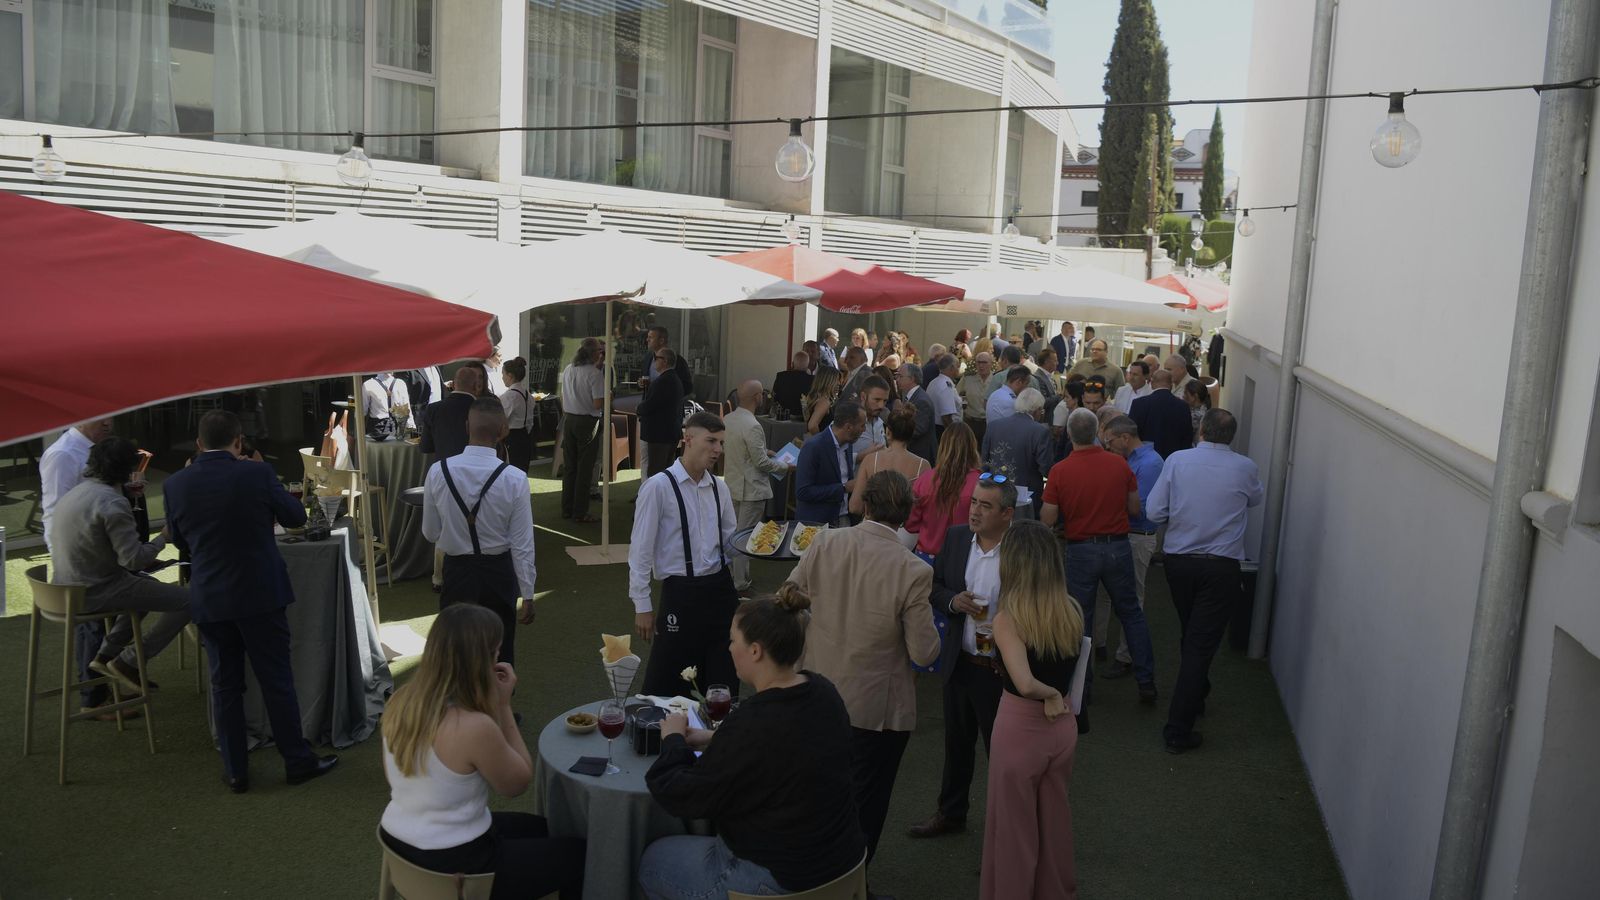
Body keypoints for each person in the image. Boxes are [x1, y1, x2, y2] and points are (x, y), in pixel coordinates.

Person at [640, 585, 867, 897]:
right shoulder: (824, 692)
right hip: (844, 864)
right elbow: (789, 746)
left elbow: (679, 794)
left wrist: (673, 740)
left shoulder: (753, 722)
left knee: (651, 860)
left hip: (778, 879)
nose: (729, 647)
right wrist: (713, 737)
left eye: (734, 640)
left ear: (756, 650)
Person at [163, 411, 337, 792]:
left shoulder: (176, 484)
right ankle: (296, 760)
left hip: (211, 593)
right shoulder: (255, 473)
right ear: (239, 441)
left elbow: (178, 540)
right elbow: (294, 516)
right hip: (259, 591)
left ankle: (236, 769)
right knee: (276, 679)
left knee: (225, 685)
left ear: (198, 443)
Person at [784, 470, 940, 869]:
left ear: (865, 505)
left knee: (815, 796)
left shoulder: (826, 541)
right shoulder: (914, 571)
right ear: (905, 515)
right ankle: (852, 884)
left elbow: (790, 595)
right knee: (864, 807)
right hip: (875, 713)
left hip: (816, 694)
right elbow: (924, 652)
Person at [380, 604, 584, 900]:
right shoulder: (472, 725)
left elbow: (393, 776)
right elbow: (517, 783)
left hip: (398, 841)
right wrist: (503, 706)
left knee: (544, 829)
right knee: (582, 853)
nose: (499, 658)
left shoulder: (400, 700)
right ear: (483, 661)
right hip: (456, 861)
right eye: (497, 652)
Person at [1147, 409, 1264, 754]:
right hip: (1221, 567)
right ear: (1232, 436)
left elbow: (1155, 512)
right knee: (1199, 642)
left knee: (1193, 634)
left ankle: (1194, 697)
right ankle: (1178, 728)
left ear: (1200, 430)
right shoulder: (1245, 467)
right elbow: (1255, 498)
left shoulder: (1178, 461)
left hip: (1179, 563)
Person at [907, 475, 1016, 840]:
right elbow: (934, 586)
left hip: (1000, 670)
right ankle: (950, 813)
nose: (975, 512)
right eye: (974, 503)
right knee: (956, 746)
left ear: (1007, 514)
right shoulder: (955, 538)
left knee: (1002, 758)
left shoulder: (1020, 549)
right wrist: (953, 602)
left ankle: (1002, 838)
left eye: (986, 506)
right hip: (960, 662)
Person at [981, 519, 1084, 900]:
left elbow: (1024, 683)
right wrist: (1060, 698)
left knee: (1013, 831)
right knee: (1054, 822)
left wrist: (1049, 695)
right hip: (1062, 733)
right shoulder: (1071, 611)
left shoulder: (1008, 618)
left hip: (1021, 729)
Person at [48, 436, 191, 694]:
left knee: (146, 587)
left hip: (63, 590)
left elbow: (108, 550)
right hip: (95, 591)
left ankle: (107, 654)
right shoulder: (112, 502)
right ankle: (130, 660)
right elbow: (133, 560)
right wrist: (163, 538)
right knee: (194, 600)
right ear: (127, 469)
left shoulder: (76, 494)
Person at [1041, 408, 1158, 706]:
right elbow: (1134, 509)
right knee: (1131, 612)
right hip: (1118, 547)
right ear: (1096, 433)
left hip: (1081, 550)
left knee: (1082, 619)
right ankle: (1146, 680)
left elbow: (1048, 518)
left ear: (1069, 434)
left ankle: (1082, 687)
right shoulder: (1120, 466)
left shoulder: (1060, 471)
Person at [628, 412, 740, 697]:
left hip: (720, 589)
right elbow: (640, 550)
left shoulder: (720, 487)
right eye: (711, 441)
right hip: (680, 593)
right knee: (669, 677)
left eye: (721, 443)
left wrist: (755, 543)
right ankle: (662, 737)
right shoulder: (657, 487)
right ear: (687, 440)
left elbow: (730, 541)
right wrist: (642, 604)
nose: (718, 450)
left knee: (723, 673)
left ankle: (718, 736)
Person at [423, 397, 537, 670]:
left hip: (457, 572)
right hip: (499, 573)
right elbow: (523, 544)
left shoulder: (438, 472)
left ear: (466, 426)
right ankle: (498, 707)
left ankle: (458, 707)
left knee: (456, 651)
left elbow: (430, 532)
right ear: (503, 430)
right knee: (500, 649)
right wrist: (528, 593)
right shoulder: (515, 478)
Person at [39, 416, 118, 716]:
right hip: (78, 559)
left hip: (100, 553)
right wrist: (65, 559)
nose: (109, 423)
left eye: (111, 415)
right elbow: (53, 512)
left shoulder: (94, 449)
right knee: (92, 623)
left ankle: (112, 677)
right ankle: (93, 697)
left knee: (112, 617)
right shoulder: (63, 454)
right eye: (102, 417)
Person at [1099, 415, 1164, 680]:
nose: (1108, 446)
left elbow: (1140, 509)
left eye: (1110, 441)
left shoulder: (1149, 463)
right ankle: (1101, 647)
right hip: (1125, 535)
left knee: (1132, 599)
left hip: (1137, 536)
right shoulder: (1135, 460)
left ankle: (1125, 658)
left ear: (1125, 438)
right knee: (1106, 594)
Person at [723, 380, 790, 593]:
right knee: (745, 537)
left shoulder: (729, 418)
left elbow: (741, 451)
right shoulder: (753, 425)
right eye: (763, 394)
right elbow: (761, 463)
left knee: (732, 533)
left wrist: (764, 451)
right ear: (757, 397)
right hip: (751, 489)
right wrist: (785, 467)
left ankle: (733, 575)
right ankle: (740, 582)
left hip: (733, 484)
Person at [906, 423, 982, 559]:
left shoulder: (924, 480)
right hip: (964, 557)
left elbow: (910, 524)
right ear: (973, 447)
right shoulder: (980, 484)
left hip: (927, 557)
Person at [981, 387, 1054, 515]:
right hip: (1027, 496)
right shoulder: (1040, 431)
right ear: (1037, 410)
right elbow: (1046, 468)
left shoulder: (994, 426)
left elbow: (985, 461)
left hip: (996, 489)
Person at [557, 341, 606, 523]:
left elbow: (563, 396)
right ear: (593, 353)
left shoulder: (570, 368)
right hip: (587, 420)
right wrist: (608, 396)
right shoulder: (594, 374)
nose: (601, 354)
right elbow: (597, 404)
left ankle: (567, 509)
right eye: (599, 351)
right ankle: (580, 511)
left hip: (569, 418)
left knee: (570, 467)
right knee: (585, 469)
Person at [795, 400, 867, 527]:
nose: (864, 430)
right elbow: (803, 492)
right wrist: (843, 488)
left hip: (844, 520)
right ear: (848, 427)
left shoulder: (848, 444)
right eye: (862, 426)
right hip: (817, 524)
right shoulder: (813, 447)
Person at [849, 406, 927, 519]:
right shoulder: (923, 465)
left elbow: (854, 506)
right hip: (906, 530)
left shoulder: (871, 460)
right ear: (911, 433)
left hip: (874, 526)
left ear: (888, 432)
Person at [638, 347, 687, 478]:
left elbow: (651, 405)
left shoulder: (664, 381)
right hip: (669, 433)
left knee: (656, 473)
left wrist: (639, 409)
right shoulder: (672, 379)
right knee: (665, 471)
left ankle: (655, 498)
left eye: (656, 359)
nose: (654, 362)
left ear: (664, 361)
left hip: (660, 434)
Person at [421, 365, 483, 463]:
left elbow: (426, 447)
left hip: (444, 469)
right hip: (475, 468)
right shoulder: (483, 409)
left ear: (453, 385)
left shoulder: (433, 409)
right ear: (476, 386)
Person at [1130, 368, 1196, 458]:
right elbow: (1187, 437)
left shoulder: (1139, 404)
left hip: (1145, 457)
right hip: (1174, 458)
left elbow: (1132, 433)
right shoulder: (1183, 406)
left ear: (1152, 384)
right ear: (1171, 385)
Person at [895, 363, 938, 465]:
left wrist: (896, 435)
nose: (897, 380)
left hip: (920, 455)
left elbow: (917, 430)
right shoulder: (911, 396)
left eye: (900, 376)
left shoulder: (921, 400)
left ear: (912, 379)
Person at [499, 357, 535, 472]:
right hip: (525, 436)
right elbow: (530, 422)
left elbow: (501, 420)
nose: (502, 377)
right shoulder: (528, 394)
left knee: (510, 472)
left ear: (510, 375)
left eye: (503, 374)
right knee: (522, 471)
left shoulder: (509, 396)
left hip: (512, 439)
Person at [641, 326, 695, 397]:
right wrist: (641, 384)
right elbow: (645, 382)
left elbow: (688, 388)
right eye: (648, 337)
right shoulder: (648, 358)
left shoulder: (678, 361)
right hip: (650, 404)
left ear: (661, 341)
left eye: (650, 337)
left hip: (668, 405)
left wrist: (667, 392)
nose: (647, 340)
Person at [850, 374, 891, 464]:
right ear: (863, 396)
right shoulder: (847, 421)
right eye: (877, 400)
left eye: (885, 401)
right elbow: (834, 457)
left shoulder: (879, 422)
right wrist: (861, 456)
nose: (881, 406)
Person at [959, 351, 995, 446]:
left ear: (991, 364)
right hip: (970, 422)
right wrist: (963, 403)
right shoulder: (968, 378)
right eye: (978, 362)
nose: (981, 366)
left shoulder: (996, 380)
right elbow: (957, 394)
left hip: (988, 423)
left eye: (984, 362)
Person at [362, 372, 413, 439]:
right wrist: (410, 426)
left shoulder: (368, 384)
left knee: (376, 449)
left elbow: (362, 412)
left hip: (377, 428)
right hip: (393, 426)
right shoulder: (400, 383)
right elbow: (406, 410)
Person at [803, 366, 842, 437]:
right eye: (837, 380)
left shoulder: (815, 397)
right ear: (828, 381)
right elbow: (812, 425)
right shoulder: (824, 401)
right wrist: (821, 440)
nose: (839, 383)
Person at [927, 354, 962, 430]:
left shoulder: (934, 382)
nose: (958, 370)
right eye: (957, 366)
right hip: (942, 429)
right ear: (952, 367)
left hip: (932, 426)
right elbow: (946, 416)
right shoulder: (946, 386)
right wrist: (951, 434)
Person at [772, 351, 814, 416]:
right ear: (807, 366)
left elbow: (774, 396)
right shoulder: (812, 380)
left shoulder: (781, 376)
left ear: (792, 364)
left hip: (783, 416)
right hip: (803, 418)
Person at [1184, 378, 1213, 443]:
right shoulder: (1206, 409)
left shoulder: (1197, 415)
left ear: (1195, 396)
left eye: (1186, 393)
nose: (1183, 396)